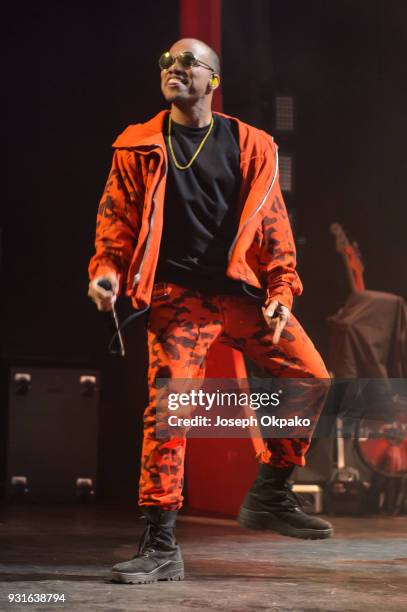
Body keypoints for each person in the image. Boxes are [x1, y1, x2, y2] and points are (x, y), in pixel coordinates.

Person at [88, 38, 333, 585]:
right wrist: (105, 274)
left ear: (212, 81)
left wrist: (281, 290)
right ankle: (160, 545)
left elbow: (273, 228)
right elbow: (116, 224)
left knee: (312, 376)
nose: (174, 69)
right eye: (167, 63)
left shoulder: (250, 145)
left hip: (242, 294)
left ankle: (271, 492)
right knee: (171, 411)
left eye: (187, 63)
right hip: (180, 300)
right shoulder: (138, 146)